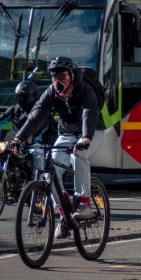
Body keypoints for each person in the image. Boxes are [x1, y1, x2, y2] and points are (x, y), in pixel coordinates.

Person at [14, 56, 105, 237]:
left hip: (93, 132)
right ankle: (64, 215)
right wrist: (19, 138)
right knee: (50, 170)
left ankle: (85, 203)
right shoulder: (52, 92)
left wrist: (86, 137)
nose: (58, 81)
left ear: (71, 74)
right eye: (54, 77)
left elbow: (89, 112)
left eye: (62, 76)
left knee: (78, 154)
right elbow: (37, 114)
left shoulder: (84, 88)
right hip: (67, 134)